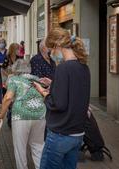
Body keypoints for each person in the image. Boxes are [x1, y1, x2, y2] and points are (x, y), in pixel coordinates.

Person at [33, 28, 91, 169]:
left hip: (61, 134)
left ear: (57, 46)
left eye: (50, 49)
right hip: (78, 133)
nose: (51, 54)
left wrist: (43, 92)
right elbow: (75, 92)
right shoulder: (83, 67)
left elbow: (58, 103)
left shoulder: (63, 68)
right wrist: (54, 84)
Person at [0, 59, 46, 169]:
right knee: (38, 147)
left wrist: (1, 114)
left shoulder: (14, 80)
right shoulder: (36, 79)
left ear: (15, 69)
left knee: (20, 149)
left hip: (21, 117)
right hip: (40, 115)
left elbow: (8, 97)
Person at [1, 43, 19, 128]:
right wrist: (9, 74)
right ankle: (9, 117)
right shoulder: (7, 58)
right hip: (8, 82)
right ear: (13, 49)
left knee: (15, 101)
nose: (18, 50)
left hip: (17, 82)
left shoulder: (19, 58)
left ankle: (13, 118)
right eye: (17, 48)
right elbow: (2, 69)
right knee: (9, 100)